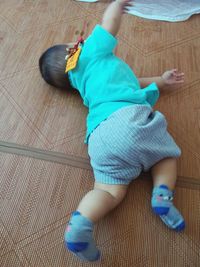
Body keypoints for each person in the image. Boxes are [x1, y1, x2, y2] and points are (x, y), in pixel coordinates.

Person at [39, 0, 185, 262]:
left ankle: (82, 221)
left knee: (108, 191)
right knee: (166, 155)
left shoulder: (83, 85)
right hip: (129, 119)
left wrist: (161, 81)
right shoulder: (87, 54)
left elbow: (132, 84)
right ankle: (162, 194)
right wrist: (116, 5)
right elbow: (110, 25)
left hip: (100, 136)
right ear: (71, 52)